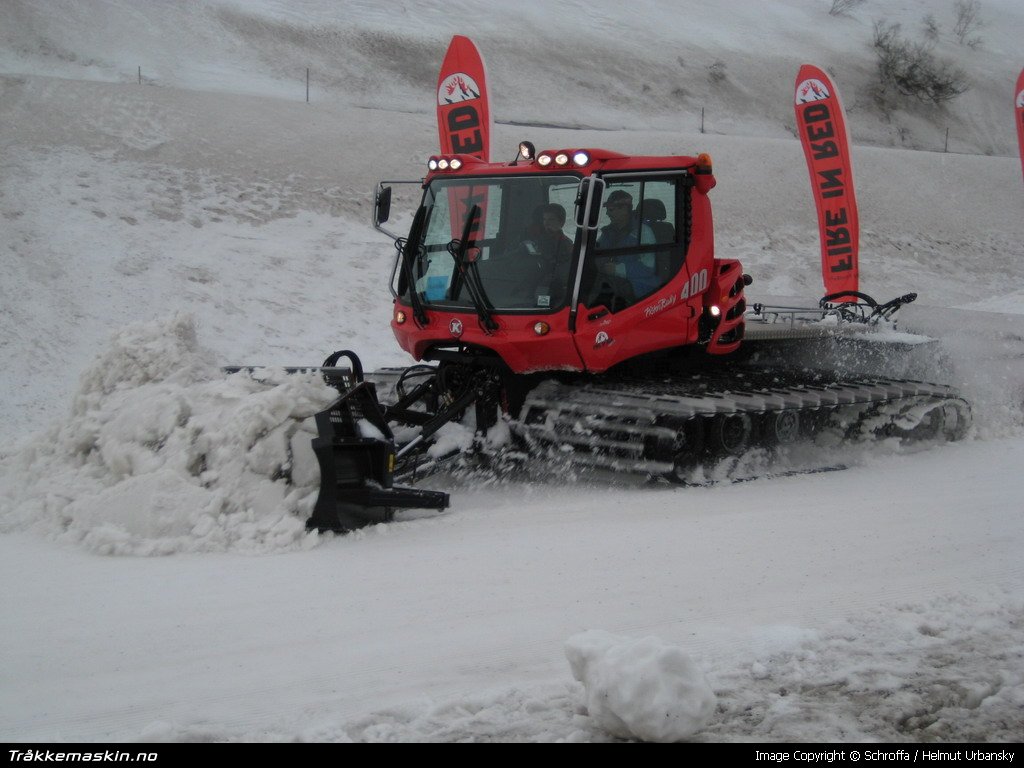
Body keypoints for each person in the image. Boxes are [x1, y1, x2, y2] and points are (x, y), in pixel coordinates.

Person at [593, 190, 661, 299]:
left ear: (624, 209)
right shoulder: (608, 231)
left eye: (611, 210)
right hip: (614, 282)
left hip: (640, 286)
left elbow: (648, 268)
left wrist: (617, 269)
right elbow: (598, 251)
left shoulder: (643, 232)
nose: (607, 213)